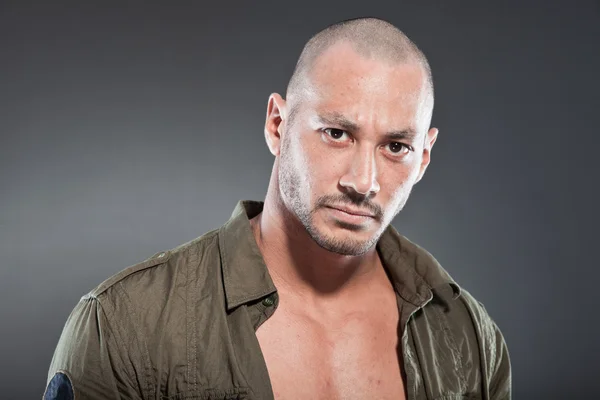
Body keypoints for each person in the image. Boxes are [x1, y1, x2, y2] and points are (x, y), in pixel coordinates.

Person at [44, 17, 511, 400]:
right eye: (336, 133)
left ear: (423, 158)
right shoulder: (124, 323)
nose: (363, 182)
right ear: (277, 125)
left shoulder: (469, 334)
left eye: (395, 146)